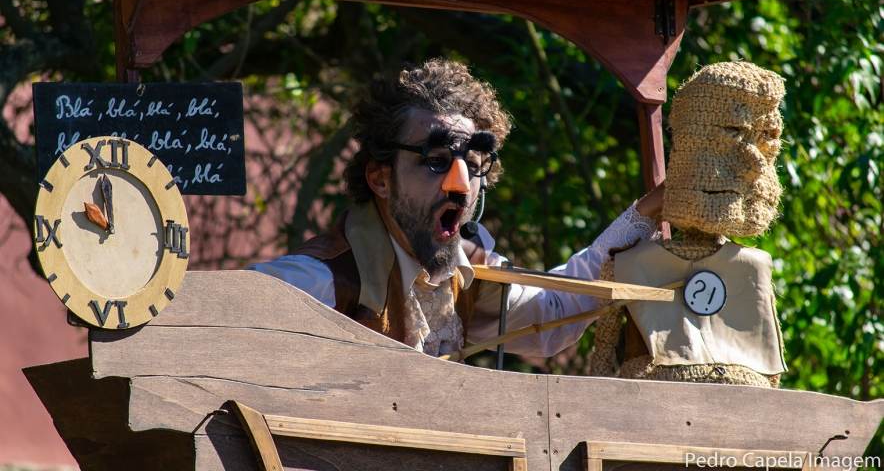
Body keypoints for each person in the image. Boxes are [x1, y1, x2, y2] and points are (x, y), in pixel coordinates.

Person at [249, 58, 663, 358]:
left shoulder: (469, 273)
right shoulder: (322, 281)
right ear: (380, 178)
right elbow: (215, 316)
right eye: (436, 159)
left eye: (473, 164)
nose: (461, 185)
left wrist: (648, 212)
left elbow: (555, 314)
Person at [589, 61, 787, 387]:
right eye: (733, 132)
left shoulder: (755, 268)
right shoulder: (629, 264)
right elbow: (601, 369)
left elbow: (771, 373)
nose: (753, 164)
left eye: (768, 137)